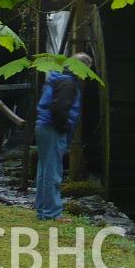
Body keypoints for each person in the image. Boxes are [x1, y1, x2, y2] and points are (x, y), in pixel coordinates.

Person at [34, 52, 91, 220]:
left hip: (43, 126)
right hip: (53, 129)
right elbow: (59, 108)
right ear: (81, 68)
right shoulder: (68, 83)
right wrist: (64, 127)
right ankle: (52, 214)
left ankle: (43, 210)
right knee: (53, 172)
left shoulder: (56, 77)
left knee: (44, 170)